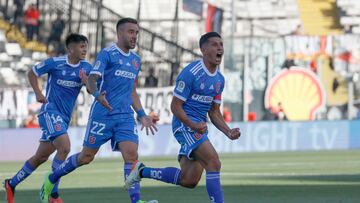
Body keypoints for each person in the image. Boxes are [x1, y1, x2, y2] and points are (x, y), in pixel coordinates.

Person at [39, 18, 158, 203]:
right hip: (102, 114)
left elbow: (132, 89)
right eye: (131, 32)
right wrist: (97, 95)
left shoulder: (136, 60)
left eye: (136, 32)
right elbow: (93, 79)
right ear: (119, 34)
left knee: (131, 155)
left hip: (125, 115)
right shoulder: (107, 54)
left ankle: (136, 200)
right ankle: (52, 178)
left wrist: (142, 115)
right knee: (86, 157)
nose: (135, 36)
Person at [125, 32, 241, 203]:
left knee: (189, 180)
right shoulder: (191, 73)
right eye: (215, 45)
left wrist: (228, 131)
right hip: (183, 124)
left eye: (221, 45)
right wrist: (192, 124)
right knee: (214, 162)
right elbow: (175, 106)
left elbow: (214, 112)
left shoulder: (219, 80)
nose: (220, 48)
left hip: (197, 127)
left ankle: (142, 171)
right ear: (203, 49)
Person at [3, 33, 92, 203]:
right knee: (65, 147)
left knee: (40, 157)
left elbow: (89, 90)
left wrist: (86, 81)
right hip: (49, 112)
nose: (85, 49)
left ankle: (11, 183)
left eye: (85, 46)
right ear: (71, 48)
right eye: (81, 46)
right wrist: (38, 93)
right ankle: (53, 194)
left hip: (63, 118)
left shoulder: (86, 67)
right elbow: (32, 73)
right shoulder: (55, 63)